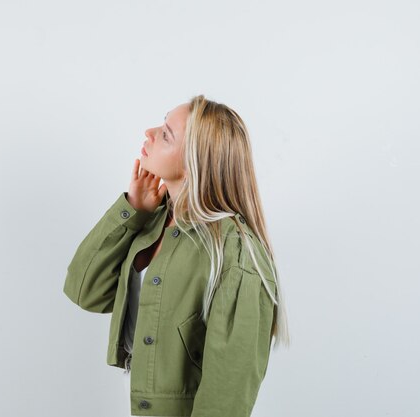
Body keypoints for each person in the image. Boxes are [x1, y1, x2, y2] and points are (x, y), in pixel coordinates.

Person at [63, 94, 290, 417]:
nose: (150, 132)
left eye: (167, 134)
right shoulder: (153, 221)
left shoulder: (235, 250)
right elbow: (84, 291)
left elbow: (228, 393)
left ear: (194, 162)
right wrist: (132, 210)